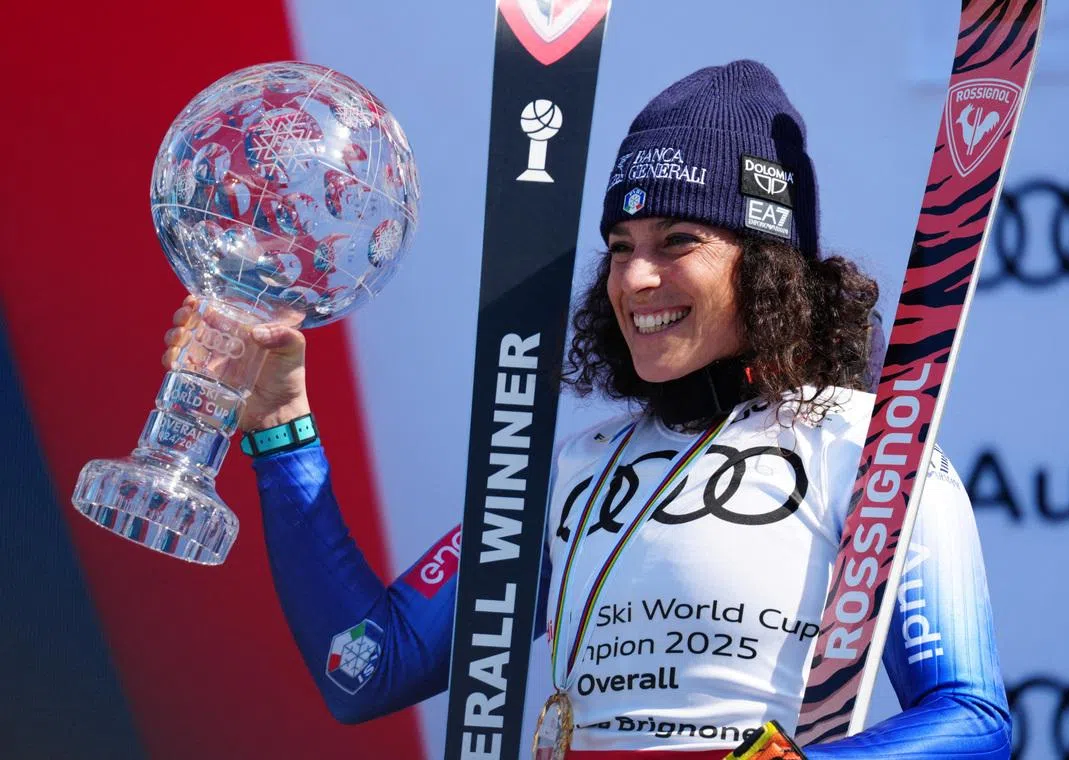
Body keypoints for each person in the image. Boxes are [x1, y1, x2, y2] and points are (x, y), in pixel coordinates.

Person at [164, 60, 1011, 758]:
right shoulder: (577, 467)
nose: (635, 280)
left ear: (767, 268)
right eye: (619, 248)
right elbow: (364, 669)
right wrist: (281, 429)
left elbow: (972, 719)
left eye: (678, 242)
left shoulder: (871, 444)